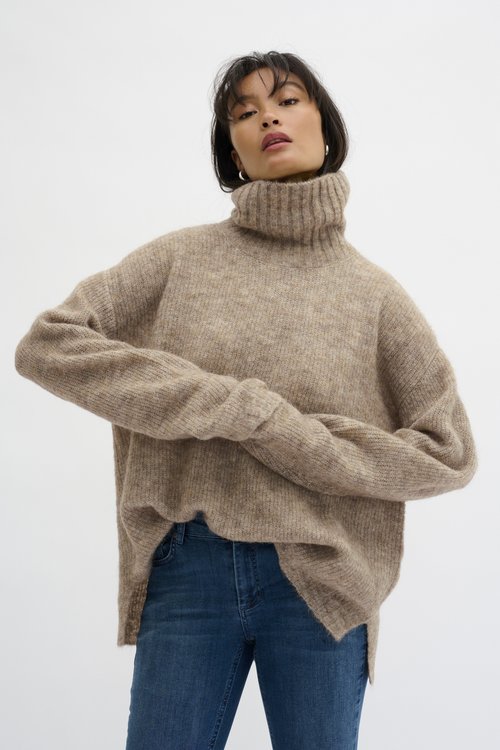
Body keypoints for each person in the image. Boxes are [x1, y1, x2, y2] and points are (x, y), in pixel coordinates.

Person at [14, 50, 478, 749]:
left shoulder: (376, 297)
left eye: (287, 100)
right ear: (232, 151)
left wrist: (285, 433)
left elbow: (449, 453)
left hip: (323, 580)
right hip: (189, 566)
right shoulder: (177, 260)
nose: (267, 117)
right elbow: (48, 345)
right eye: (244, 112)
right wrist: (228, 405)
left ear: (326, 126)